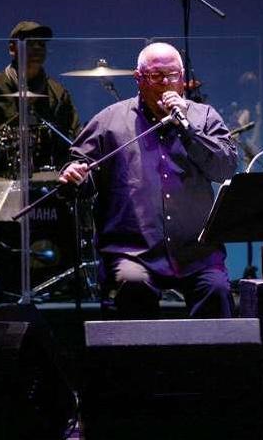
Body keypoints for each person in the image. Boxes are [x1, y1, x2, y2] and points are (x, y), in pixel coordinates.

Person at [59, 42, 237, 318]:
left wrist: (187, 129)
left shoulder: (203, 117)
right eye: (156, 76)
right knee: (133, 287)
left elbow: (225, 168)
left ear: (183, 78)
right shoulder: (111, 120)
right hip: (134, 252)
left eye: (173, 75)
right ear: (138, 78)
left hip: (195, 253)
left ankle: (208, 361)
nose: (166, 84)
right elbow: (81, 165)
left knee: (216, 290)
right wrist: (76, 176)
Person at [0, 20, 80, 172]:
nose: (37, 48)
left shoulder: (58, 92)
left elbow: (75, 134)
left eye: (42, 44)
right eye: (30, 43)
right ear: (12, 49)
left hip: (49, 175)